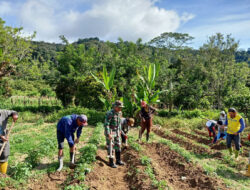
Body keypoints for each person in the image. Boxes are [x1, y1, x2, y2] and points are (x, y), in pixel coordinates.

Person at [104, 100, 125, 168]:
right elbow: (106, 124)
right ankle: (111, 162)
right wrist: (108, 134)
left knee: (118, 145)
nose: (120, 109)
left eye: (121, 107)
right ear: (115, 107)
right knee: (111, 146)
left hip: (117, 131)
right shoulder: (110, 113)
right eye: (119, 107)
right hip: (111, 131)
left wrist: (120, 130)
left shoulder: (120, 113)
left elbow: (119, 123)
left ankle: (118, 160)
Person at [0, 109, 18, 174]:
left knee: (4, 156)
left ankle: (3, 176)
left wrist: (14, 115)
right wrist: (1, 136)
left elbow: (13, 112)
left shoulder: (3, 112)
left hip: (3, 141)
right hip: (2, 138)